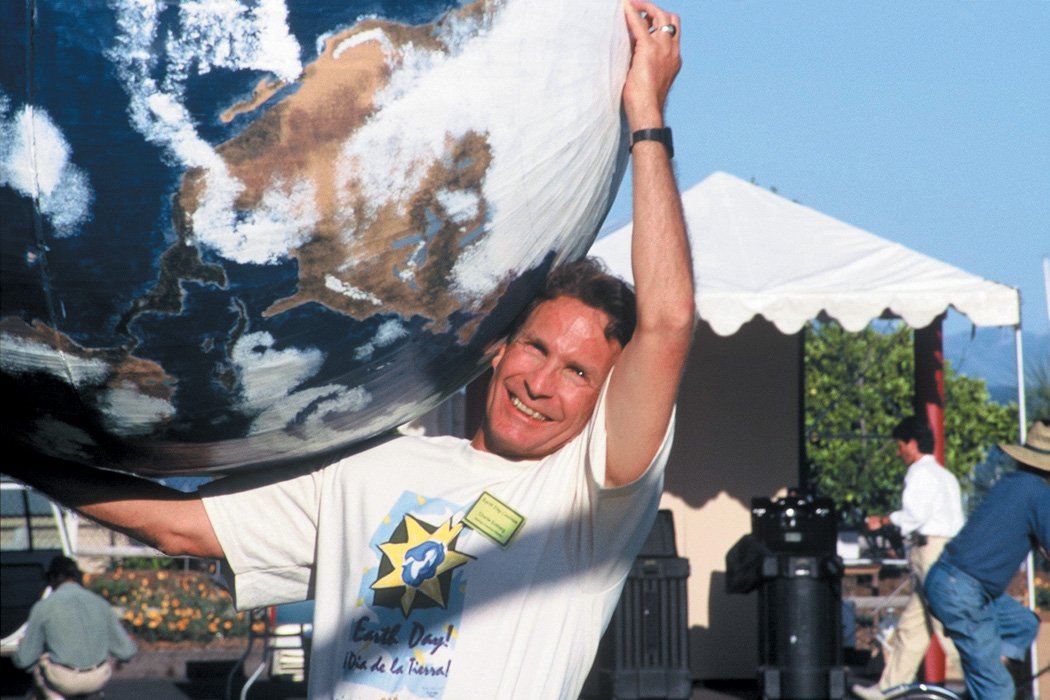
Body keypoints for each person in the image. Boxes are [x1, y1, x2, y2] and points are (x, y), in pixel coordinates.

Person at [1, 3, 694, 698]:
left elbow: (667, 323)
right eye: (536, 348)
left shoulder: (589, 501)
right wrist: (17, 453)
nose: (541, 383)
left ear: (608, 397)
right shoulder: (368, 459)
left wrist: (646, 117)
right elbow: (182, 529)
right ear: (495, 346)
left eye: (577, 372)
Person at [924, 419, 1050, 700]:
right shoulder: (1040, 493)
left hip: (955, 583)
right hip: (964, 591)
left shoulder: (1012, 483)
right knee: (998, 689)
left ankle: (985, 679)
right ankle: (990, 684)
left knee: (1023, 624)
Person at [853, 416, 964, 700]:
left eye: (900, 445)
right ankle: (888, 689)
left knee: (946, 623)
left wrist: (884, 520)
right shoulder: (946, 476)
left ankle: (986, 686)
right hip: (946, 549)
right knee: (912, 628)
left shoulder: (919, 474)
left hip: (929, 551)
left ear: (912, 444)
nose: (898, 451)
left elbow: (914, 517)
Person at [12, 556, 137, 700]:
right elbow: (126, 652)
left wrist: (22, 649)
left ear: (55, 578)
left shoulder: (43, 607)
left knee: (39, 663)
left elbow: (25, 660)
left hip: (62, 679)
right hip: (97, 678)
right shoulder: (101, 604)